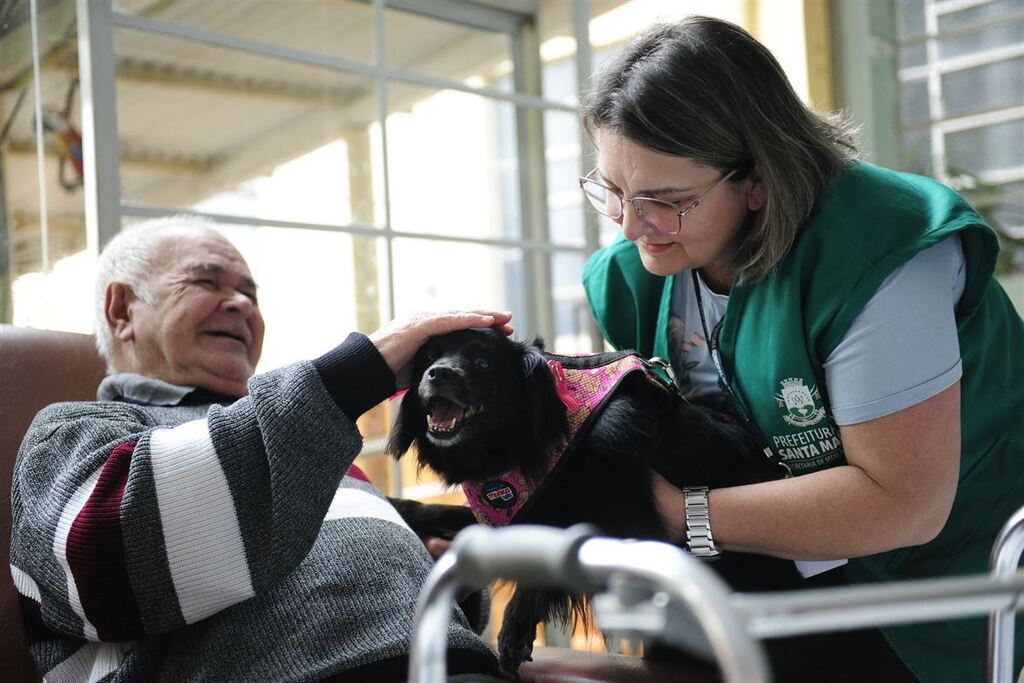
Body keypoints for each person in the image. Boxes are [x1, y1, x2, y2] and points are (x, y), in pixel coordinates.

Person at [579, 16, 1023, 683]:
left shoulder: (876, 250)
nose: (632, 227)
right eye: (613, 192)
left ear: (758, 179)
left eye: (667, 201)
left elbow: (902, 502)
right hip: (763, 572)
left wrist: (679, 514)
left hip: (929, 586)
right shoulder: (630, 277)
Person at [10, 216, 511, 682]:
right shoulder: (71, 434)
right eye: (206, 282)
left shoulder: (312, 447)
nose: (241, 304)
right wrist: (355, 373)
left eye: (249, 293)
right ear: (122, 310)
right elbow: (112, 560)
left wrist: (450, 579)